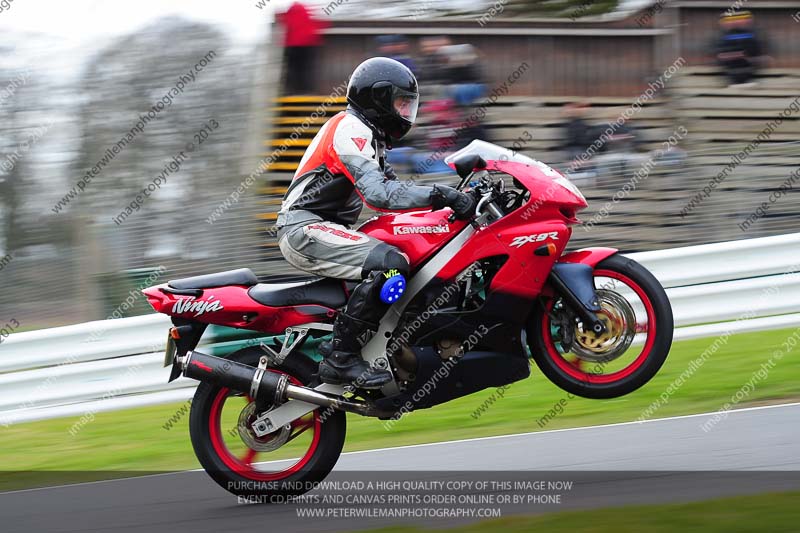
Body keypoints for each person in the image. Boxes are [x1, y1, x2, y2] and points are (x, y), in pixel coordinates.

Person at [276, 57, 476, 388]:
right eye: (401, 103)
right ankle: (340, 358)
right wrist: (442, 195)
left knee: (414, 252)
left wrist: (449, 207)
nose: (406, 112)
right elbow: (380, 194)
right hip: (303, 229)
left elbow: (397, 198)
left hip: (326, 230)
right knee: (390, 265)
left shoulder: (373, 139)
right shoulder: (350, 128)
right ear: (378, 98)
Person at [278, 2, 328, 94]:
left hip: (293, 45)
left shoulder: (291, 12)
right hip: (309, 44)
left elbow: (286, 21)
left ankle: (293, 90)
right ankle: (306, 89)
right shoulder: (305, 13)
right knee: (306, 69)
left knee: (293, 69)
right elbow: (320, 24)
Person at [715, 11, 765, 87]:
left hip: (750, 74)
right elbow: (719, 55)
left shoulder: (752, 34)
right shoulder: (723, 36)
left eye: (742, 19)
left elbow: (757, 52)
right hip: (730, 76)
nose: (737, 22)